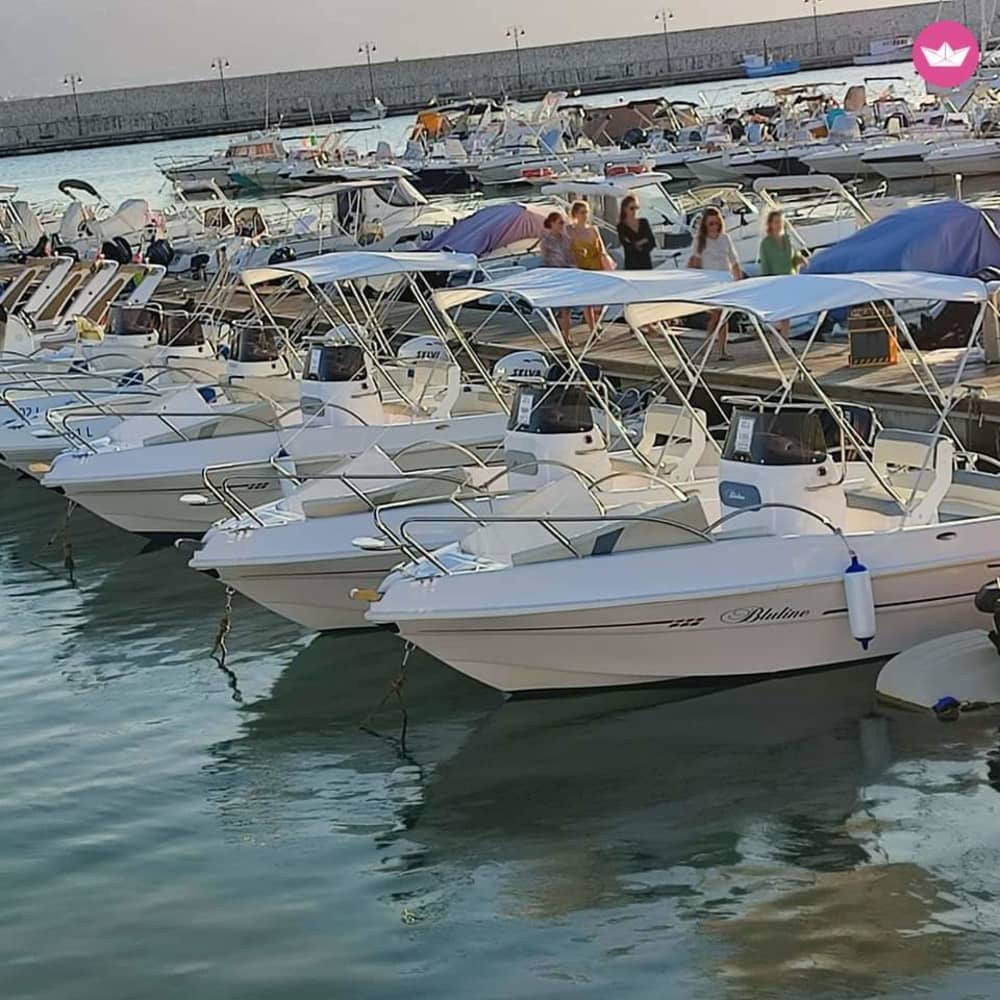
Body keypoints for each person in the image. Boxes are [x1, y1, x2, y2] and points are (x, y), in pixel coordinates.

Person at [688, 206, 743, 361]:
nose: (714, 227)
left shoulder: (725, 238)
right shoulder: (700, 241)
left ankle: (721, 350)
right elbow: (694, 262)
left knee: (723, 318)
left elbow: (734, 261)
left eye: (716, 223)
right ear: (705, 225)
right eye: (710, 224)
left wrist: (739, 281)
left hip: (725, 281)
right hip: (709, 283)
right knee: (715, 316)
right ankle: (707, 346)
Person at [758, 209, 804, 338]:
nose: (779, 225)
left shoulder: (788, 239)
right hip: (775, 281)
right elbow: (765, 265)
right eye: (776, 222)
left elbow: (794, 258)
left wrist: (800, 260)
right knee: (781, 313)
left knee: (787, 313)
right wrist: (766, 283)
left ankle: (785, 340)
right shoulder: (766, 244)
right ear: (770, 224)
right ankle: (780, 335)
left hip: (789, 280)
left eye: (781, 222)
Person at [566, 200, 609, 335]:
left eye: (587, 212)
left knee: (601, 298)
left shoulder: (593, 229)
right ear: (575, 214)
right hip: (581, 267)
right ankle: (592, 328)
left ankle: (596, 321)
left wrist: (605, 261)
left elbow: (602, 249)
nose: (585, 215)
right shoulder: (569, 231)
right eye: (582, 212)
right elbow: (567, 250)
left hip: (597, 266)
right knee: (588, 300)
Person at [539, 211, 573, 338]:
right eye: (560, 223)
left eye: (563, 223)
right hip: (553, 274)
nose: (562, 226)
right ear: (552, 223)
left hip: (566, 273)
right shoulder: (546, 241)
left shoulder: (566, 239)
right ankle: (557, 333)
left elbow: (570, 256)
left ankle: (567, 335)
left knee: (567, 307)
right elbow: (544, 259)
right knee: (555, 307)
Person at [617, 195, 655, 270]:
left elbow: (652, 242)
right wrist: (643, 241)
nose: (634, 211)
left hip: (646, 262)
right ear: (625, 209)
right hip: (631, 264)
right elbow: (628, 246)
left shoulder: (644, 222)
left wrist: (637, 244)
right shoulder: (621, 227)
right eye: (632, 208)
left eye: (636, 208)